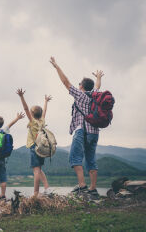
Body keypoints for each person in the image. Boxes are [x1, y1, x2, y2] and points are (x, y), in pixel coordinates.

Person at [49, 56, 104, 196]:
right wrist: (98, 76)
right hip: (94, 133)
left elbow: (66, 82)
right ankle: (93, 188)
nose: (78, 85)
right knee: (91, 159)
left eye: (79, 83)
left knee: (74, 158)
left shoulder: (81, 96)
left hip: (82, 131)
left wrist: (56, 66)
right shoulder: (95, 95)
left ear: (81, 86)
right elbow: (97, 86)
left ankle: (82, 185)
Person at [16, 89, 53, 197]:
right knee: (39, 169)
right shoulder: (42, 121)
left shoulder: (33, 122)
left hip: (34, 147)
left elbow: (25, 108)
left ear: (31, 114)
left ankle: (36, 193)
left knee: (36, 171)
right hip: (41, 147)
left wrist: (21, 96)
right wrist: (46, 101)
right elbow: (44, 111)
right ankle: (47, 188)